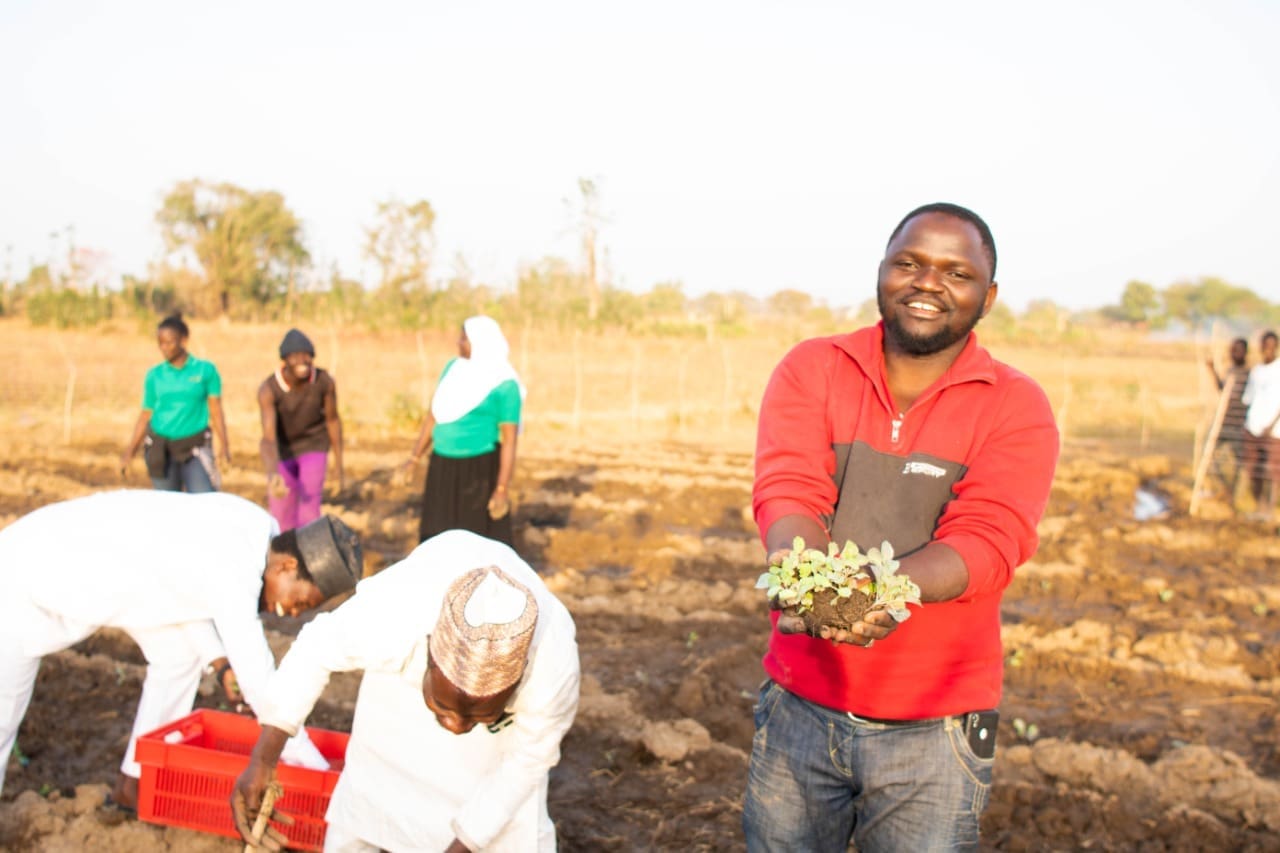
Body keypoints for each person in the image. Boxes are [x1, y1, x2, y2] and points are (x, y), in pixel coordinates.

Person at [743, 203, 1059, 852]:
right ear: (882, 273)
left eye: (956, 272)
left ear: (988, 296)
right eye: (910, 264)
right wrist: (799, 573)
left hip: (936, 724)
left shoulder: (1014, 403)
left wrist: (881, 589)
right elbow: (788, 487)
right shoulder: (814, 368)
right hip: (801, 702)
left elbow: (991, 536)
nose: (928, 283)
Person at [0, 491, 364, 809]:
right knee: (3, 716)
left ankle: (133, 785)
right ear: (288, 565)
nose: (294, 612)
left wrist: (221, 665)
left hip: (93, 575)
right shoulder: (237, 565)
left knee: (177, 658)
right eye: (300, 599)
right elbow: (259, 684)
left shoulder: (256, 530)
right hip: (27, 578)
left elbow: (183, 595)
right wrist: (318, 771)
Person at [231, 529, 580, 853]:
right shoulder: (396, 614)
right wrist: (263, 759)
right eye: (443, 707)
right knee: (370, 810)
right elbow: (315, 649)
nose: (456, 726)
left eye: (480, 714)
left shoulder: (552, 663)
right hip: (396, 716)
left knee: (508, 832)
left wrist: (465, 844)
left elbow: (528, 760)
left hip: (493, 756)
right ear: (428, 655)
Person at [401, 316, 525, 546]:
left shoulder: (505, 384)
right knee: (435, 537)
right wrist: (414, 457)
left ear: (480, 342)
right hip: (442, 466)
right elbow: (434, 415)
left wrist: (501, 489)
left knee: (474, 543)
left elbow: (509, 440)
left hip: (478, 470)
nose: (458, 343)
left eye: (464, 339)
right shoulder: (453, 369)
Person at [119, 313, 231, 492]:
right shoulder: (155, 375)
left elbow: (216, 410)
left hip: (195, 447)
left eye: (169, 342)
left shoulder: (205, 371)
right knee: (168, 508)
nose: (164, 348)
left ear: (184, 340)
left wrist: (225, 446)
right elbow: (146, 414)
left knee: (205, 502)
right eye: (160, 343)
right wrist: (129, 453)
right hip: (161, 448)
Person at [258, 328, 345, 531]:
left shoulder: (324, 381)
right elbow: (268, 438)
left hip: (314, 444)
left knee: (309, 511)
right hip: (283, 450)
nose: (302, 361)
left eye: (307, 356)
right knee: (282, 514)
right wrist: (272, 474)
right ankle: (287, 559)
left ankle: (308, 559)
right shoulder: (269, 389)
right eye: (295, 356)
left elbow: (333, 420)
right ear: (284, 360)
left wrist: (339, 464)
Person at [1204, 338, 1250, 502]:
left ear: (1245, 352)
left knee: (1240, 462)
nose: (1234, 353)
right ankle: (1223, 488)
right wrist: (1212, 370)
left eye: (1237, 350)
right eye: (1232, 349)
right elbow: (1223, 389)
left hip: (1239, 423)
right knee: (1209, 454)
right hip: (1224, 422)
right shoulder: (1230, 371)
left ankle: (1234, 494)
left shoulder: (1249, 374)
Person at [1241, 330, 1280, 519]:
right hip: (1252, 426)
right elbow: (1248, 399)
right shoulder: (1256, 371)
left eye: (1271, 345)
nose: (1267, 349)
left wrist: (1272, 425)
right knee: (1253, 469)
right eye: (1265, 345)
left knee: (1273, 471)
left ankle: (1271, 510)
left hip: (1275, 431)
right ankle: (1259, 507)